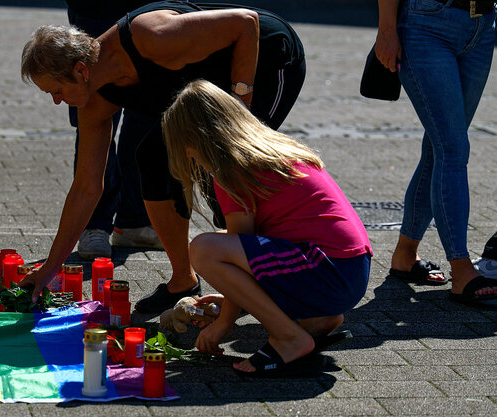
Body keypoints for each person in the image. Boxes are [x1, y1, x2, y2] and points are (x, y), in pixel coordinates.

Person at [19, 1, 306, 313]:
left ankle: (286, 285)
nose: (57, 102)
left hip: (265, 59)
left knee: (230, 173)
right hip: (208, 90)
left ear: (80, 70)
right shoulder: (94, 102)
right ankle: (183, 280)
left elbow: (246, 23)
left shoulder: (151, 36)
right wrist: (49, 268)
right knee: (153, 160)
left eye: (56, 91)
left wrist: (241, 104)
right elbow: (87, 186)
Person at [163, 80, 372, 376]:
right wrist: (233, 299)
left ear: (199, 139)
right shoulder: (271, 150)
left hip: (329, 271)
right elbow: (255, 249)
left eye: (186, 148)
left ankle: (289, 338)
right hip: (351, 270)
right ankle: (317, 321)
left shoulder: (232, 168)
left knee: (204, 249)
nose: (189, 157)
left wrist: (224, 324)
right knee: (224, 244)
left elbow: (240, 245)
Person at [375, 0, 497, 305]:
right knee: (453, 148)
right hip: (427, 22)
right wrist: (387, 29)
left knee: (438, 147)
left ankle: (404, 255)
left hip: (482, 24)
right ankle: (462, 269)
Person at [66, 0, 164, 259]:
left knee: (148, 111)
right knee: (93, 111)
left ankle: (134, 220)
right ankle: (94, 224)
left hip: (152, 7)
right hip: (97, 9)